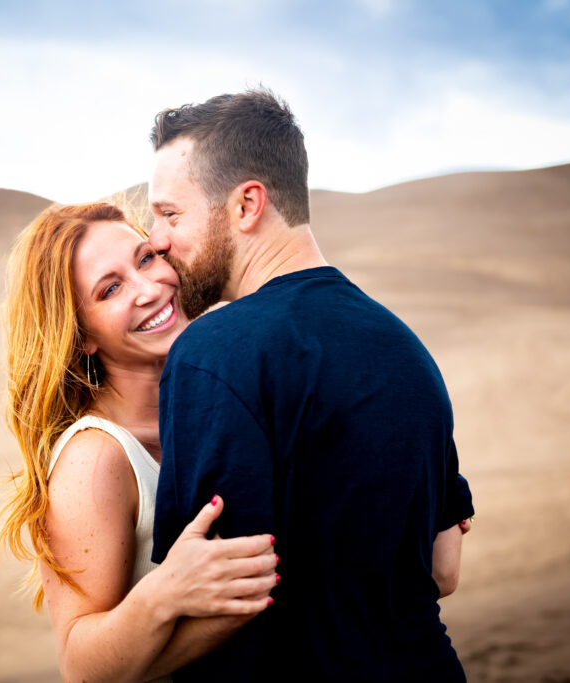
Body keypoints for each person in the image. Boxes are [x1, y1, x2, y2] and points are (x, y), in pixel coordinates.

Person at [147, 89, 475, 681]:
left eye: (171, 214)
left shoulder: (213, 353)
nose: (157, 239)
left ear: (248, 204)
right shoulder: (405, 347)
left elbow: (219, 600)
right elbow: (444, 571)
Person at [0, 202, 281, 683]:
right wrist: (166, 592)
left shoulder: (222, 407)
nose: (149, 288)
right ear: (82, 337)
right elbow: (80, 667)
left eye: (146, 258)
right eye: (111, 289)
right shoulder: (96, 458)